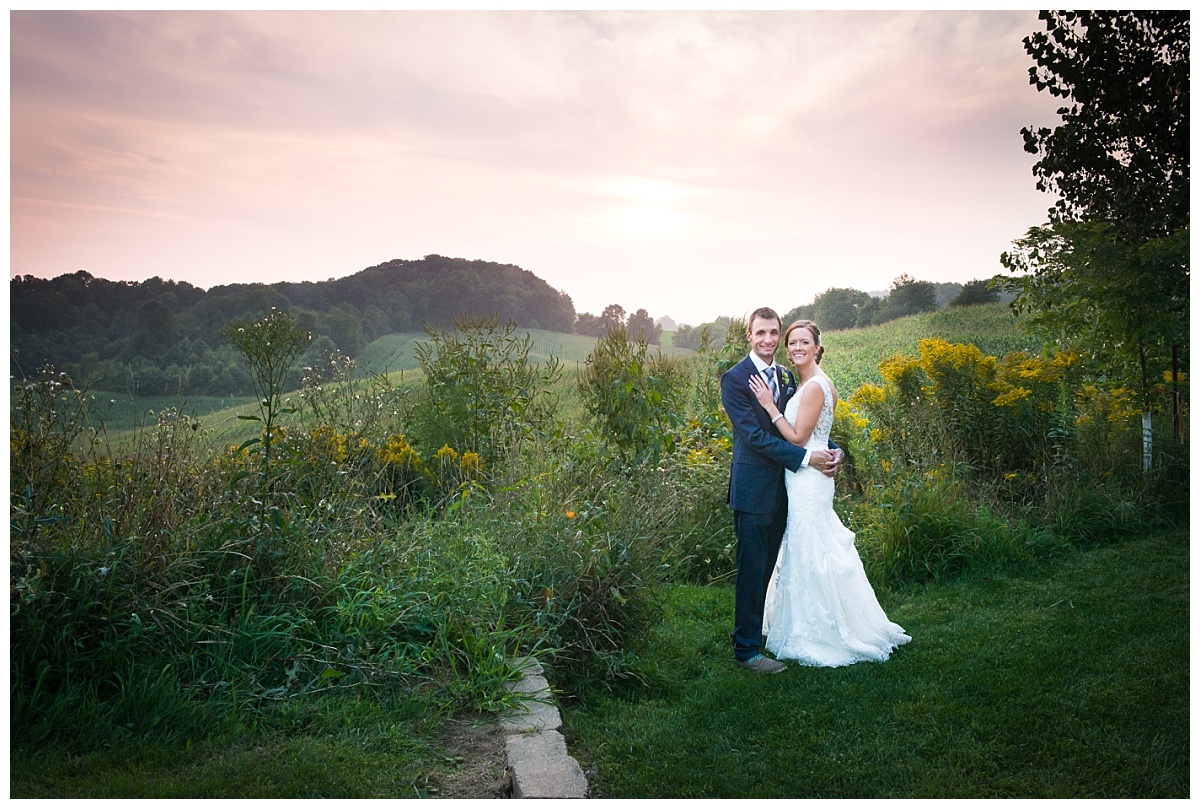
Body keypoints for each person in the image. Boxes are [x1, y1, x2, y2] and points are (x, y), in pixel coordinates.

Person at [749, 319, 910, 667]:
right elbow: (822, 436)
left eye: (803, 342)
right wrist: (836, 450)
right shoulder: (813, 383)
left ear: (818, 347)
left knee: (810, 545)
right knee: (809, 543)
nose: (795, 348)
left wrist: (769, 405)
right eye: (791, 342)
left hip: (809, 478)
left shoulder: (814, 387)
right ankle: (809, 619)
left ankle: (821, 629)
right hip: (812, 474)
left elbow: (798, 439)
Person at [720, 307, 842, 674]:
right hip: (754, 488)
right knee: (752, 569)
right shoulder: (735, 379)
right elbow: (755, 437)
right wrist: (807, 459)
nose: (769, 339)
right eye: (762, 333)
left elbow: (800, 425)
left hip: (788, 490)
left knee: (771, 566)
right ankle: (746, 652)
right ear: (749, 335)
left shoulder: (787, 377)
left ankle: (760, 634)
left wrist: (835, 449)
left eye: (774, 332)